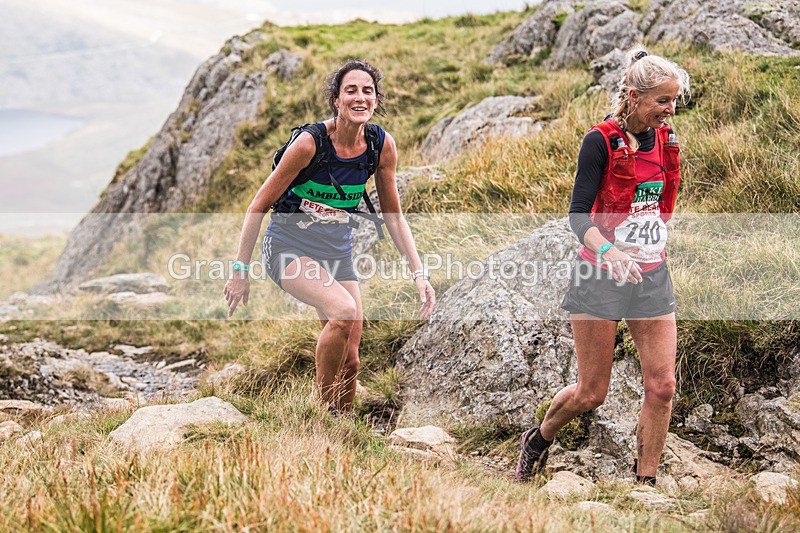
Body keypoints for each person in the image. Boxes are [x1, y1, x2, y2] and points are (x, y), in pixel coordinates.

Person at [515, 46, 690, 485]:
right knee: (592, 392)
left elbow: (657, 208)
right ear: (633, 96)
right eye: (661, 101)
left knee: (663, 386)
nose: (668, 111)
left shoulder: (666, 141)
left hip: (651, 274)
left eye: (673, 101)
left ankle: (645, 483)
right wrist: (611, 253)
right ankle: (537, 440)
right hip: (600, 274)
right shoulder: (600, 141)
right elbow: (578, 215)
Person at [224, 59, 435, 414]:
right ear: (335, 100)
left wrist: (419, 273)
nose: (360, 98)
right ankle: (322, 416)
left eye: (367, 91)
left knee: (351, 360)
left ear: (377, 99)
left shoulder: (381, 147)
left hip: (337, 252)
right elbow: (257, 206)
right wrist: (240, 271)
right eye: (350, 90)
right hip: (288, 248)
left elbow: (394, 217)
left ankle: (344, 426)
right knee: (343, 311)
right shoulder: (310, 144)